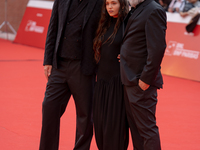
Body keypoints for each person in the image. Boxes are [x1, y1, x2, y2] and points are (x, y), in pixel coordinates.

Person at [39, 0, 103, 150]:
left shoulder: (100, 2)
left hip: (84, 67)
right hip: (59, 65)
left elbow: (109, 26)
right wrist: (48, 60)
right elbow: (53, 27)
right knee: (49, 108)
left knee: (85, 117)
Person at [120, 0, 167, 149]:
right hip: (130, 79)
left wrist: (145, 79)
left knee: (146, 129)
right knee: (136, 130)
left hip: (141, 81)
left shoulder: (154, 10)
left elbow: (157, 49)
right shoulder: (136, 8)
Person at [92, 0, 129, 149]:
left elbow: (139, 44)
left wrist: (128, 54)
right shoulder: (103, 24)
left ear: (122, 4)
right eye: (107, 4)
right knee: (100, 126)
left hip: (117, 83)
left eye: (114, 3)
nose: (110, 7)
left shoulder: (128, 23)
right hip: (101, 82)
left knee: (114, 127)